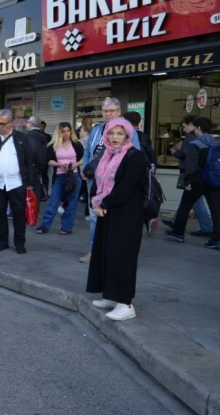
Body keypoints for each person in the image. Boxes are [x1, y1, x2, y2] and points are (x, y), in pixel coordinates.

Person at [86, 117, 147, 321]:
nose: (114, 138)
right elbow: (98, 181)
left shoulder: (134, 156)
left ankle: (126, 303)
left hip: (127, 214)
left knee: (123, 257)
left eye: (119, 133)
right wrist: (96, 203)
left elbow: (127, 188)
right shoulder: (107, 155)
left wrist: (103, 204)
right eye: (111, 133)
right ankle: (111, 296)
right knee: (107, 254)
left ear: (128, 135)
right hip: (108, 211)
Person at [80, 97, 140, 263]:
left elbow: (135, 154)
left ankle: (113, 253)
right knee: (94, 217)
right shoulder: (97, 130)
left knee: (115, 218)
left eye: (112, 111)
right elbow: (87, 153)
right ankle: (95, 252)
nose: (108, 114)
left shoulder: (127, 130)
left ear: (119, 112)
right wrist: (84, 169)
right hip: (95, 181)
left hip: (116, 182)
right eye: (105, 111)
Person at [165, 117, 220, 249]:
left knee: (185, 206)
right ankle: (218, 239)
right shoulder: (215, 142)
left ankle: (178, 233)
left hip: (198, 179)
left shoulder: (196, 143)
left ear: (198, 127)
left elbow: (191, 164)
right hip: (214, 179)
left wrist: (188, 180)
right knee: (216, 209)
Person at [0, 109, 33, 254]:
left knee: (18, 214)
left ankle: (19, 243)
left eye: (2, 124)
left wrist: (30, 183)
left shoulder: (21, 138)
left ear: (12, 123)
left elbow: (28, 162)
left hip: (17, 183)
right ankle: (2, 241)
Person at [163, 115, 214, 237]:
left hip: (193, 174)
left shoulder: (190, 137)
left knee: (194, 201)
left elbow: (188, 156)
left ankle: (205, 228)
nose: (183, 129)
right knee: (190, 200)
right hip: (204, 173)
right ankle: (177, 222)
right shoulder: (207, 139)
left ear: (193, 125)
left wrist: (176, 153)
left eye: (185, 126)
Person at [36, 122, 83, 235]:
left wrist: (76, 164)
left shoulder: (77, 144)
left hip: (74, 175)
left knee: (72, 203)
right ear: (59, 133)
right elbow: (49, 160)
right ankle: (44, 226)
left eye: (68, 131)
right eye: (63, 131)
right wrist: (59, 164)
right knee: (53, 202)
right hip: (60, 176)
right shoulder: (54, 145)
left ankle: (66, 227)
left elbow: (84, 158)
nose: (66, 134)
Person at [26, 116, 50, 200]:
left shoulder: (30, 135)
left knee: (30, 189)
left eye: (28, 122)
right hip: (41, 165)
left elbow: (33, 150)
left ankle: (31, 211)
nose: (27, 124)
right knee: (36, 189)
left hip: (33, 166)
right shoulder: (43, 135)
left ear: (31, 124)